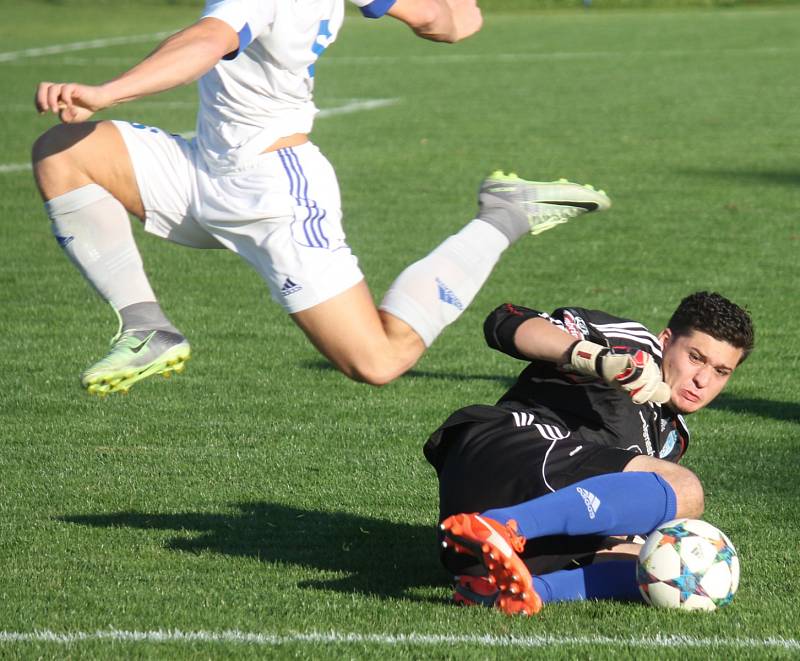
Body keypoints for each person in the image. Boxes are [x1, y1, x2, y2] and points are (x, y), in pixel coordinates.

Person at [31, 0, 611, 396]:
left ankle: (503, 215)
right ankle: (148, 327)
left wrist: (108, 92)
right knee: (63, 151)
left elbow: (208, 40)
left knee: (378, 361)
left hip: (274, 194)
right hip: (203, 167)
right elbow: (455, 22)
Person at [423, 291, 754, 615]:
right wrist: (594, 358)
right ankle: (502, 525)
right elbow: (505, 320)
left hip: (482, 548)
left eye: (721, 371)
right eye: (696, 357)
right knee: (685, 490)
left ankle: (509, 592)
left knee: (650, 563)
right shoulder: (634, 347)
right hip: (503, 452)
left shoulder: (671, 439)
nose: (703, 379)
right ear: (666, 340)